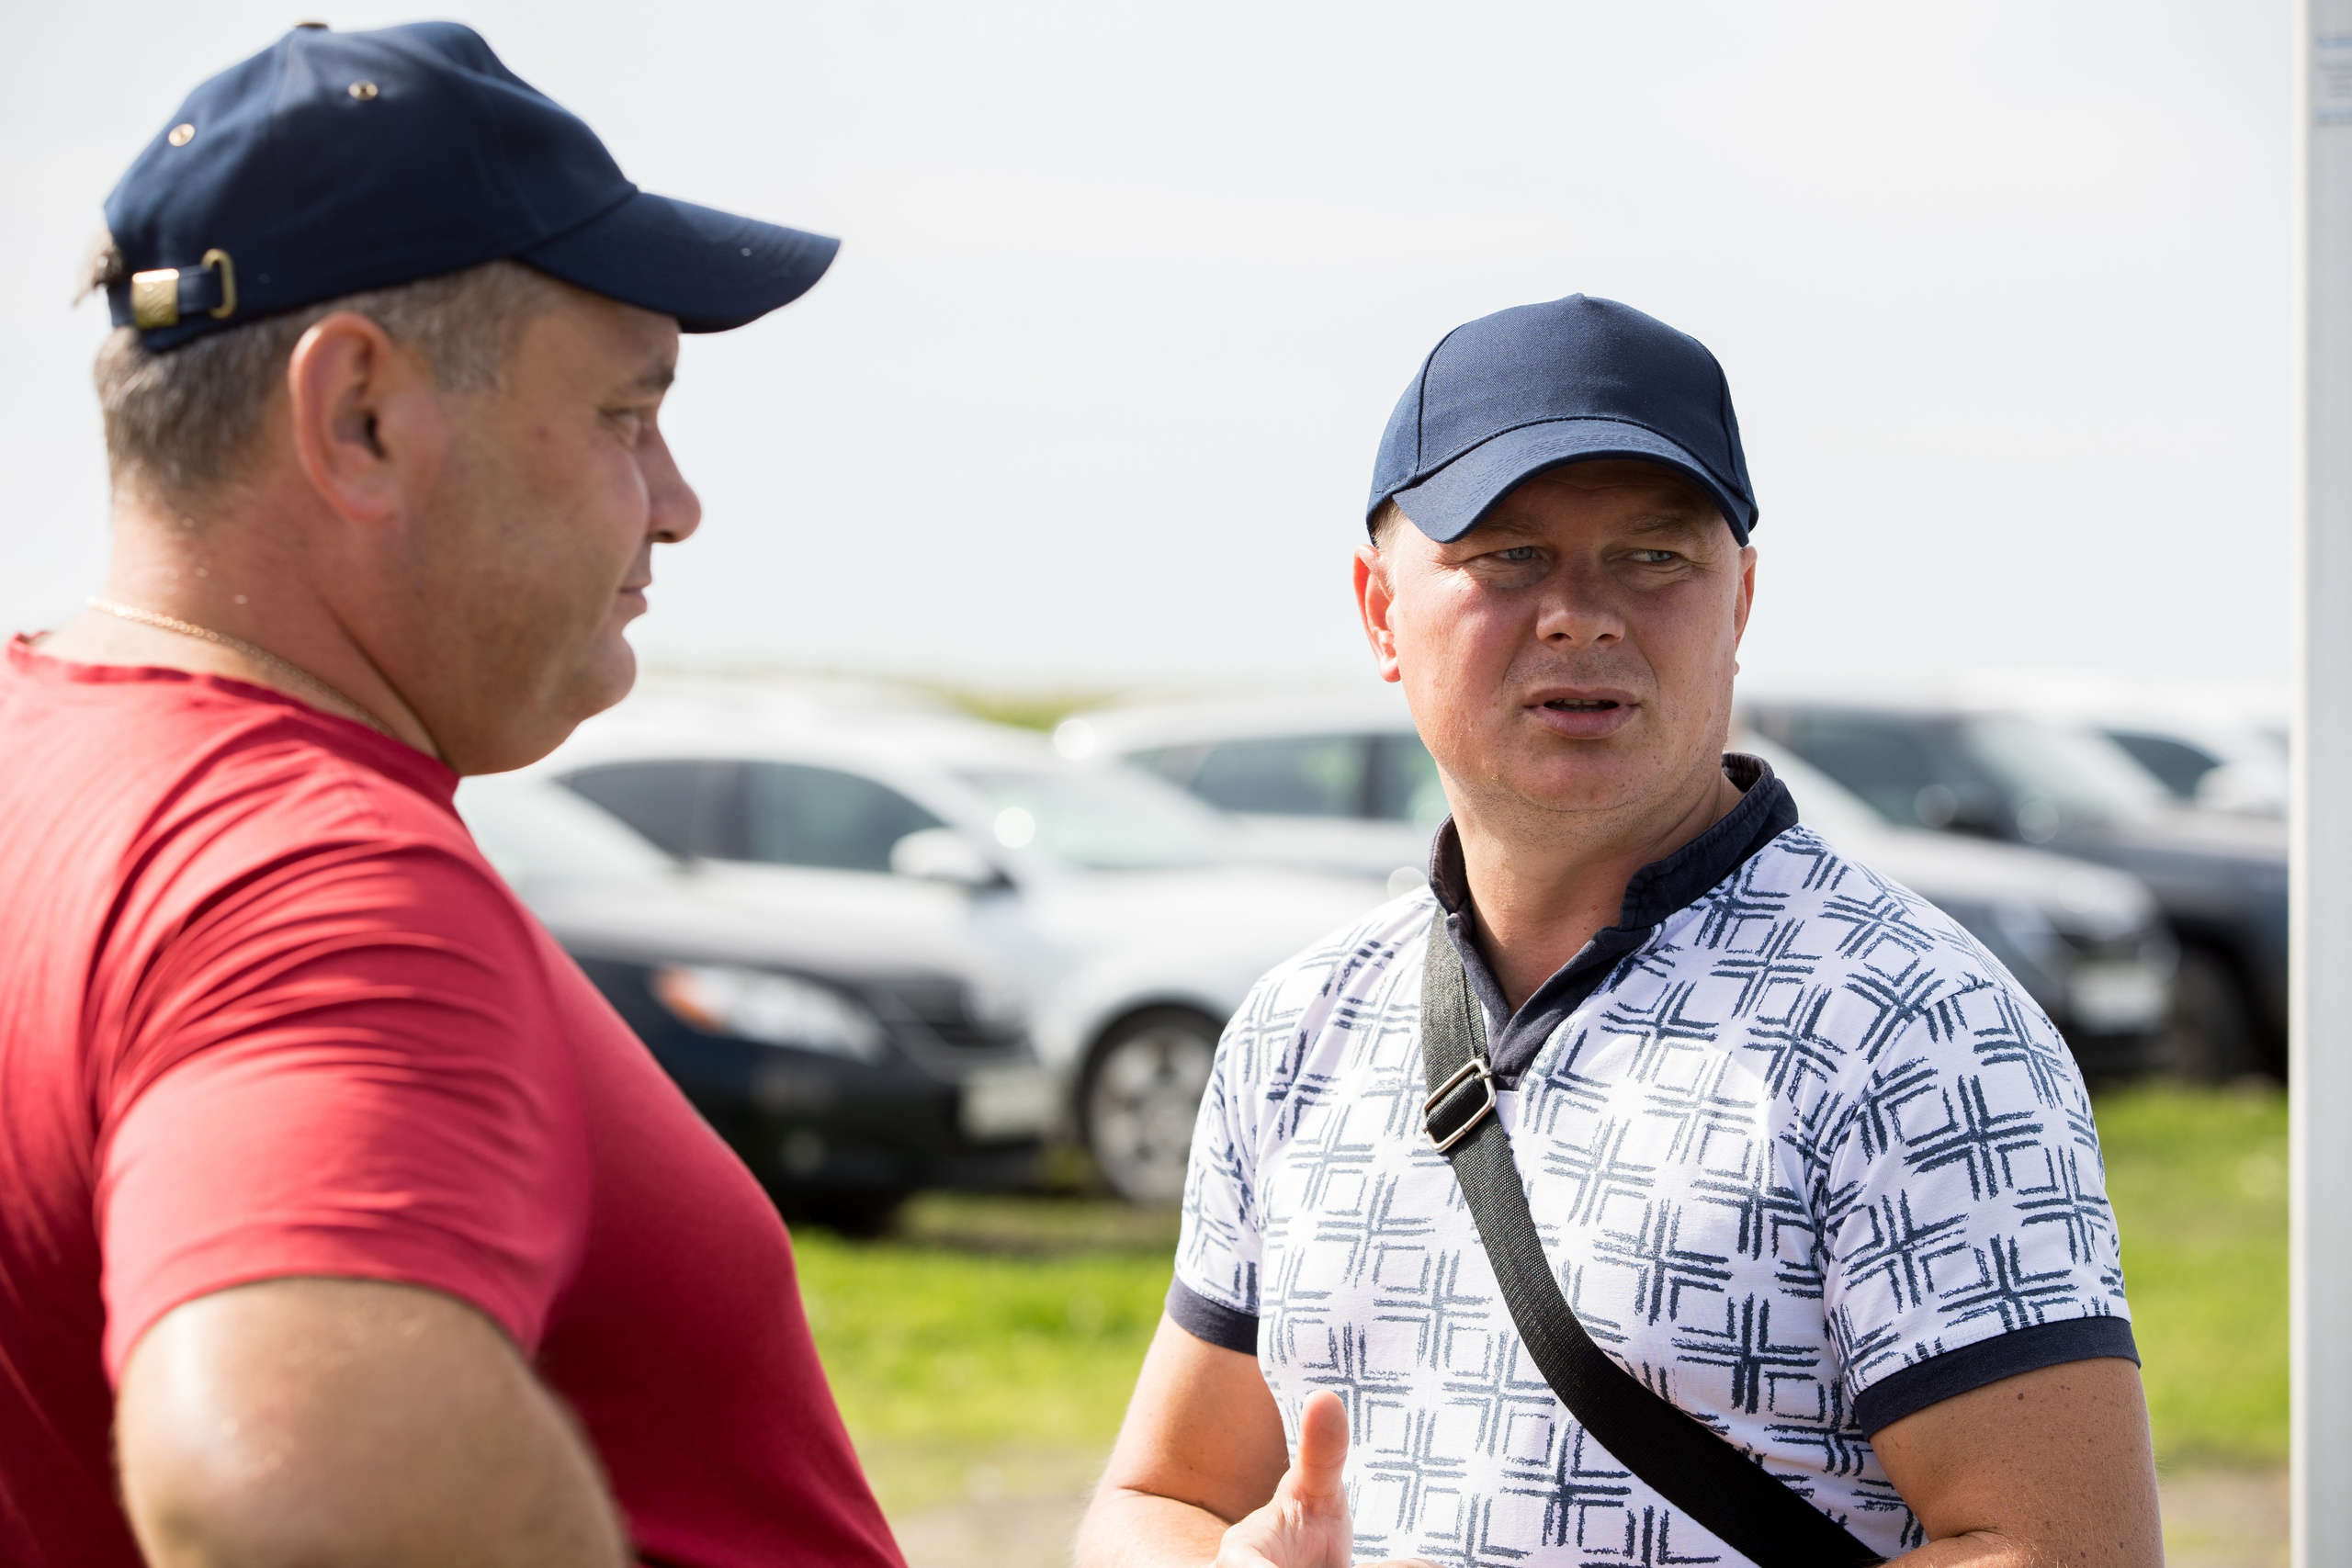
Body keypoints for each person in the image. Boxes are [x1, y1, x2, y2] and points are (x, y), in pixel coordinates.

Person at [0, 22, 900, 1567]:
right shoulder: (308, 873)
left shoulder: (53, 767)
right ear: (360, 416)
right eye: (625, 414)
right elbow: (289, 1474)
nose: (677, 503)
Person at [1075, 296, 2164, 1567]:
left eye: (1653, 558)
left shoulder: (1911, 1029)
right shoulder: (1300, 1029)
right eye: (1508, 556)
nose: (1581, 615)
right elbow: (1155, 1500)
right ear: (1380, 612)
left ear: (1739, 603)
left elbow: (2071, 1552)